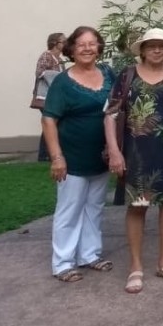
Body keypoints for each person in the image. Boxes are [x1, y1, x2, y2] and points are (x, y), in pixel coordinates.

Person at [104, 28, 163, 294]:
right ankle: (135, 267)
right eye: (152, 46)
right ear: (142, 49)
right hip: (136, 155)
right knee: (137, 207)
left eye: (162, 46)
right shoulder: (127, 76)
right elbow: (110, 115)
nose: (157, 50)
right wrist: (114, 152)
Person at [41, 26, 114, 283]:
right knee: (69, 209)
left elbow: (116, 110)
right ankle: (62, 263)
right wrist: (57, 157)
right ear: (71, 48)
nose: (87, 48)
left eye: (92, 43)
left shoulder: (107, 73)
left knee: (94, 207)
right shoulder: (63, 82)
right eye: (81, 44)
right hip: (71, 158)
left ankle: (89, 255)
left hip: (101, 156)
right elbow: (49, 119)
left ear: (99, 48)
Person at [32, 32, 66, 160]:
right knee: (50, 122)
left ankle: (46, 154)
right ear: (54, 43)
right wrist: (55, 76)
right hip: (45, 96)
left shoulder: (61, 60)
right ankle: (44, 154)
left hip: (55, 96)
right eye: (63, 41)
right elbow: (39, 72)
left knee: (52, 123)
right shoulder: (46, 56)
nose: (66, 44)